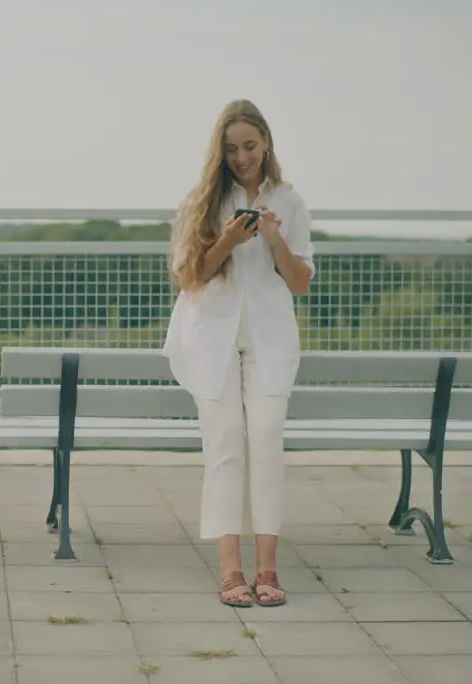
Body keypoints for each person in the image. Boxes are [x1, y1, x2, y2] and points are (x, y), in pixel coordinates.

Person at [161, 99, 315, 608]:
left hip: (270, 338)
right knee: (225, 441)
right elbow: (188, 278)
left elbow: (299, 284)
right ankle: (231, 570)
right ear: (219, 152)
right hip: (212, 338)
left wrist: (274, 240)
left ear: (266, 142)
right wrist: (226, 240)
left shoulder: (289, 202)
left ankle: (268, 566)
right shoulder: (201, 201)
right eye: (231, 149)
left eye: (250, 146)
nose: (242, 157)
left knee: (267, 440)